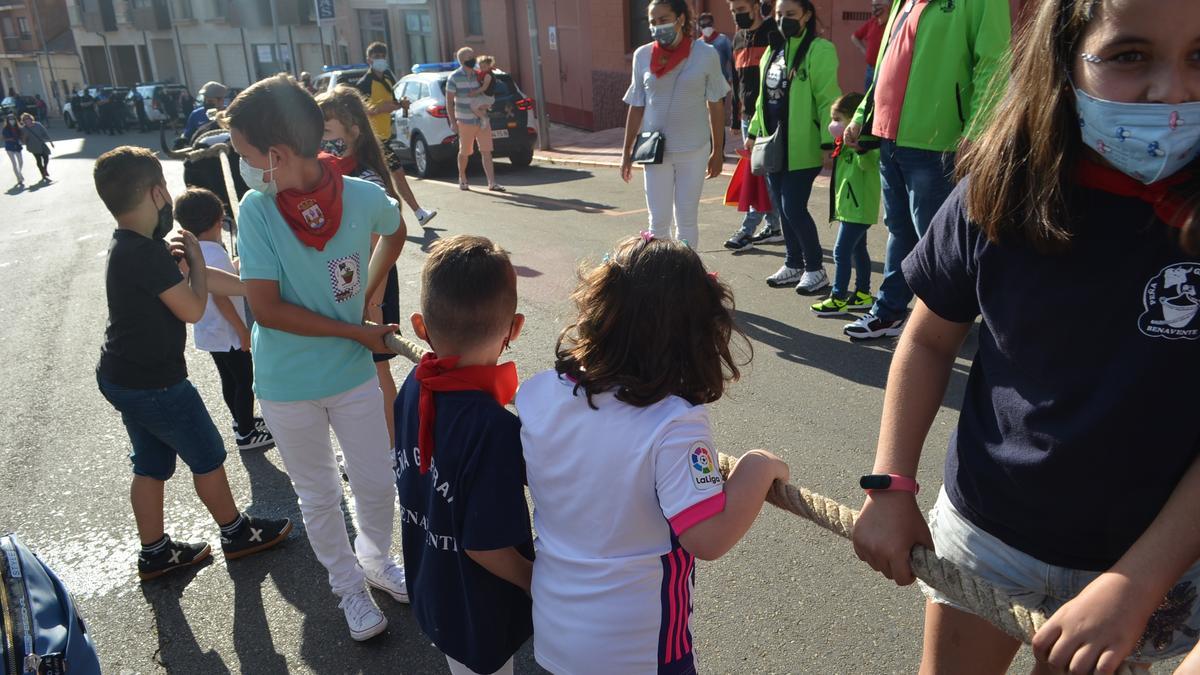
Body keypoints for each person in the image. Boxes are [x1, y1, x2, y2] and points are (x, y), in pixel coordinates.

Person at [850, 0, 1200, 672]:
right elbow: (926, 340)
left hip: (1142, 564)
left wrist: (1134, 584)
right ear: (1066, 55)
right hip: (989, 536)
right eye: (1130, 55)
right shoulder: (1002, 183)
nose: (1171, 91)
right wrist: (889, 483)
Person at [517, 234, 791, 674]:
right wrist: (757, 469)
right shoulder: (675, 424)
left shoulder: (537, 393)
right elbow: (707, 537)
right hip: (639, 647)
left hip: (554, 631)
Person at [219, 74, 409, 641]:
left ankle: (376, 560)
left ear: (275, 154)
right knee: (320, 492)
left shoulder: (358, 194)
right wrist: (356, 332)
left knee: (376, 481)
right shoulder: (257, 210)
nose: (243, 167)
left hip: (350, 373)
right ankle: (348, 586)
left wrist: (371, 296)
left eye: (245, 155)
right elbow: (267, 309)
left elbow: (394, 228)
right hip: (287, 383)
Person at [92, 146, 292, 581]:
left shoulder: (138, 246)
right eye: (163, 188)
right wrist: (199, 260)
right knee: (207, 455)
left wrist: (253, 289)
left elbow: (196, 279)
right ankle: (237, 533)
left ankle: (155, 553)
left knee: (150, 464)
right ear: (155, 193)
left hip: (125, 377)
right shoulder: (142, 254)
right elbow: (193, 306)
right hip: (156, 383)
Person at [395, 234, 533, 675]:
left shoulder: (414, 385)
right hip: (479, 606)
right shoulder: (494, 429)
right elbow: (486, 546)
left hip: (434, 582)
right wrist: (540, 584)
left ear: (420, 327)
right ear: (515, 329)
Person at [841, 0, 1010, 339]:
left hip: (938, 143)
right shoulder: (904, 2)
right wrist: (862, 116)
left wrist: (977, 132)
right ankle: (889, 311)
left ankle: (955, 324)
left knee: (942, 242)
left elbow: (993, 65)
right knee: (900, 231)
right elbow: (886, 65)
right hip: (891, 138)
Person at [316, 85, 408, 446]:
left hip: (371, 285)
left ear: (353, 131)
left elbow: (378, 246)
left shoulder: (364, 177)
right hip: (352, 285)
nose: (320, 139)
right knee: (364, 372)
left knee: (378, 371)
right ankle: (384, 443)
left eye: (327, 130)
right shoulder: (336, 173)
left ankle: (392, 446)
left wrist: (371, 302)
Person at [747, 0, 841, 294]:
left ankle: (815, 268)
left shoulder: (819, 50)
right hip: (773, 145)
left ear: (807, 15)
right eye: (779, 15)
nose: (783, 20)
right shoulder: (772, 52)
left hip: (803, 145)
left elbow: (828, 98)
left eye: (791, 15)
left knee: (793, 207)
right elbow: (763, 98)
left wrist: (830, 139)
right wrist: (752, 131)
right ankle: (793, 263)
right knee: (784, 208)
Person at [620, 0, 731, 247]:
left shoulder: (706, 54)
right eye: (653, 22)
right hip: (654, 149)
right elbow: (637, 104)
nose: (658, 27)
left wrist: (717, 152)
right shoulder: (642, 56)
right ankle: (659, 277)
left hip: (694, 149)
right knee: (657, 222)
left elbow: (716, 104)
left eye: (664, 19)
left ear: (681, 18)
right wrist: (626, 151)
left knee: (686, 220)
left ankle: (686, 280)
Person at [173, 187, 275, 452]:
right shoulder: (215, 253)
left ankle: (241, 421)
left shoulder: (197, 251)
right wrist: (242, 329)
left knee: (229, 379)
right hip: (228, 330)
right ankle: (246, 433)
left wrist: (237, 264)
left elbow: (223, 277)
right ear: (219, 221)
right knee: (244, 380)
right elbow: (221, 295)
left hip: (210, 330)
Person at [354, 42, 439, 226]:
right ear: (369, 60)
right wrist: (386, 107)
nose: (380, 60)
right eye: (376, 57)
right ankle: (412, 214)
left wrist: (401, 103)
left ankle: (403, 216)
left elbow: (392, 102)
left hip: (386, 135)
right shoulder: (365, 83)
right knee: (394, 175)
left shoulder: (387, 77)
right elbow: (366, 110)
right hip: (372, 138)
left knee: (390, 178)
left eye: (382, 56)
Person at [810, 93, 878, 317]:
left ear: (853, 119)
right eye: (832, 119)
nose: (833, 124)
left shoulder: (866, 144)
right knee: (859, 250)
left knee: (841, 251)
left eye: (838, 119)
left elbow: (869, 165)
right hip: (851, 208)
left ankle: (838, 297)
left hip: (858, 209)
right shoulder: (843, 144)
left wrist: (860, 149)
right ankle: (862, 293)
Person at [723, 0, 784, 250]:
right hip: (748, 118)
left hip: (769, 119)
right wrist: (736, 118)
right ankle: (774, 226)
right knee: (763, 177)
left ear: (756, 6)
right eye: (734, 12)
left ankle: (747, 230)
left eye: (742, 10)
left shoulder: (774, 33)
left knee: (758, 176)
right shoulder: (737, 39)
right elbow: (739, 83)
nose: (738, 16)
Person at [447, 46, 506, 193]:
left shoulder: (479, 75)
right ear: (462, 60)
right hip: (465, 120)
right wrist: (453, 122)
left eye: (473, 56)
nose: (474, 59)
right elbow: (449, 102)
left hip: (482, 119)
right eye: (470, 57)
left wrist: (488, 106)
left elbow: (487, 92)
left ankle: (492, 183)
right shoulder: (454, 77)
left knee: (487, 151)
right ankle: (462, 178)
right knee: (465, 152)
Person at [851, 1, 887, 92]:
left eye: (877, 6)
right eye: (873, 6)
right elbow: (854, 37)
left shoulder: (892, 24)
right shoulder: (872, 23)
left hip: (885, 70)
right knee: (868, 100)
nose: (874, 9)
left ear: (887, 6)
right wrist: (864, 50)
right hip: (871, 69)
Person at [698, 13, 734, 87]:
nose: (706, 28)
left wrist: (732, 77)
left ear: (713, 24)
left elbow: (733, 60)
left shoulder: (723, 40)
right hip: (702, 84)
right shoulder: (698, 44)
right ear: (700, 28)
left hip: (720, 83)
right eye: (703, 26)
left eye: (709, 24)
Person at [19, 112, 52, 183]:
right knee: (38, 160)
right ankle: (43, 174)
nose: (27, 120)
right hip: (33, 146)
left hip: (41, 144)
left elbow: (44, 132)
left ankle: (45, 169)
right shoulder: (23, 129)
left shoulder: (38, 124)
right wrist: (24, 138)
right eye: (25, 119)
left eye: (28, 118)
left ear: (31, 118)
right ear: (23, 121)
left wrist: (50, 141)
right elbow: (23, 141)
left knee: (46, 157)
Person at [468, 55, 498, 129]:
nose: (482, 69)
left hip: (487, 98)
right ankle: (484, 122)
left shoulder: (488, 75)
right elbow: (477, 72)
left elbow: (484, 88)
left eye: (484, 67)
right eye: (480, 67)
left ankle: (484, 119)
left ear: (489, 66)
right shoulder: (483, 73)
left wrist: (474, 93)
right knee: (480, 108)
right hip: (484, 97)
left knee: (473, 107)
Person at [3, 115, 24, 187]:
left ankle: (19, 173)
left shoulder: (18, 127)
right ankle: (19, 178)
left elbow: (22, 135)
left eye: (13, 119)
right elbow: (3, 138)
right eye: (10, 119)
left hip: (17, 146)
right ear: (7, 121)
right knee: (14, 163)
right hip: (9, 147)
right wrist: (10, 139)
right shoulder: (5, 129)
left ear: (15, 120)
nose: (12, 121)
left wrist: (21, 139)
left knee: (21, 162)